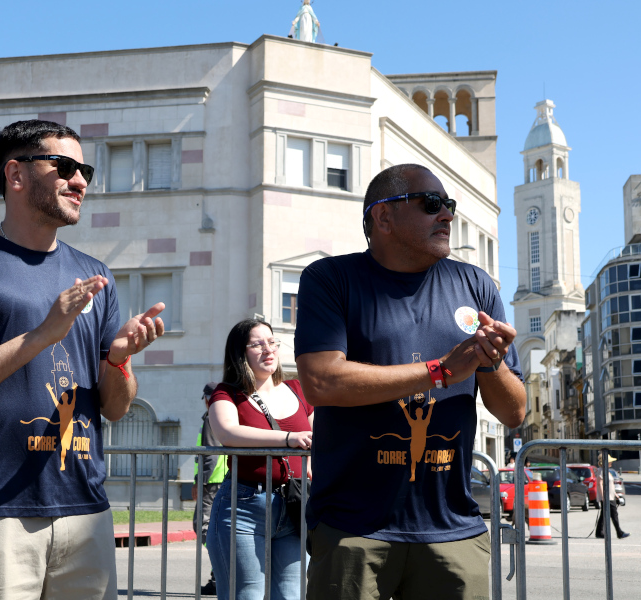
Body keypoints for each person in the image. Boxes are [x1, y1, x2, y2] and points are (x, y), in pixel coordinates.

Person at [0, 119, 165, 600]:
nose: (82, 181)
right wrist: (43, 335)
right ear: (16, 174)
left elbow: (115, 408)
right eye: (64, 166)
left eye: (85, 168)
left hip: (85, 515)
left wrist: (118, 361)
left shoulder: (95, 274)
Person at [294, 164, 526, 600]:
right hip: (354, 529)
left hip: (454, 532)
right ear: (383, 217)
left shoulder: (475, 284)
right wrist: (440, 371)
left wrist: (489, 361)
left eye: (449, 206)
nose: (447, 216)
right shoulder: (330, 280)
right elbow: (321, 382)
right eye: (431, 204)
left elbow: (514, 411)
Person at [206, 319, 314, 600]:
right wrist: (289, 439)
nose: (268, 349)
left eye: (272, 341)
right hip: (243, 507)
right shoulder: (225, 392)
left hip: (294, 505)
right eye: (257, 344)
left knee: (291, 595)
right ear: (239, 353)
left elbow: (320, 437)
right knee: (246, 594)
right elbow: (228, 433)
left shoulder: (298, 390)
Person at [194, 381, 228, 596]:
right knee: (220, 528)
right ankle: (218, 576)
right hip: (227, 479)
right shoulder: (229, 414)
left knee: (204, 526)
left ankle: (223, 570)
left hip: (213, 482)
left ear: (208, 398)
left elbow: (210, 454)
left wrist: (200, 483)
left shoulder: (211, 417)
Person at [596, 456, 629, 539]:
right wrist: (603, 497)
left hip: (610, 496)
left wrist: (615, 494)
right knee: (614, 514)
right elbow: (600, 484)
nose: (611, 463)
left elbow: (610, 485)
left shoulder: (607, 471)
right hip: (607, 498)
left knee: (604, 515)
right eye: (609, 461)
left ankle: (599, 532)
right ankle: (619, 533)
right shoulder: (601, 471)